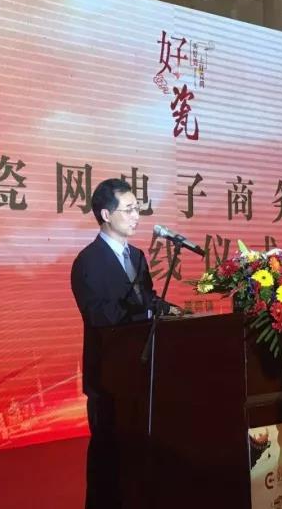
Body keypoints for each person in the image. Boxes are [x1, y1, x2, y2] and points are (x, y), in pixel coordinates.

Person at [70, 178, 171, 509]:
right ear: (105, 214)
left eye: (137, 209)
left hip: (142, 373)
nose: (136, 216)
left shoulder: (138, 257)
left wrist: (166, 310)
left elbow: (148, 300)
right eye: (128, 210)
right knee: (107, 459)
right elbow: (98, 314)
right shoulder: (88, 262)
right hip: (108, 377)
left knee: (139, 457)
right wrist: (143, 310)